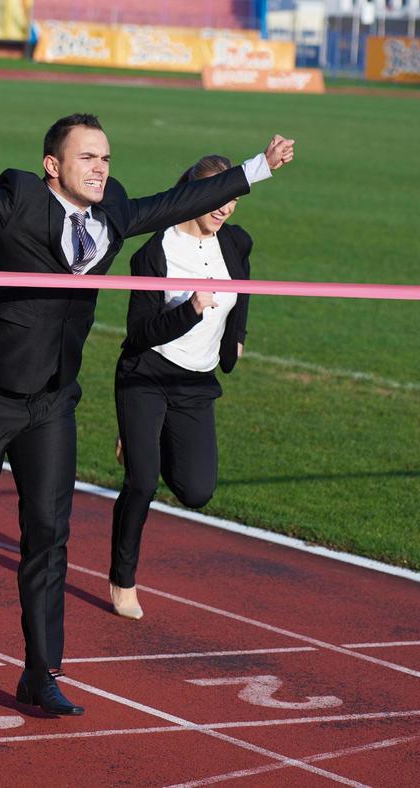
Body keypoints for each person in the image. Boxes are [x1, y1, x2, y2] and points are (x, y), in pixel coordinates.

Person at [0, 78, 293, 716]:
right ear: (52, 166)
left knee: (49, 536)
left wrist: (256, 167)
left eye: (107, 158)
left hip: (54, 401)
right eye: (87, 157)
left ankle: (40, 672)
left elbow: (178, 201)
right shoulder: (16, 203)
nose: (101, 167)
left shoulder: (113, 213)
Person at [108, 154, 252, 621]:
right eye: (217, 197)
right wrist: (188, 310)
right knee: (143, 481)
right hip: (147, 374)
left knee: (196, 491)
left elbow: (243, 293)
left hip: (196, 382)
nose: (225, 207)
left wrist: (237, 340)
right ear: (192, 194)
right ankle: (122, 580)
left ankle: (142, 441)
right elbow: (138, 333)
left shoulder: (236, 242)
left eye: (233, 198)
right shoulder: (154, 253)